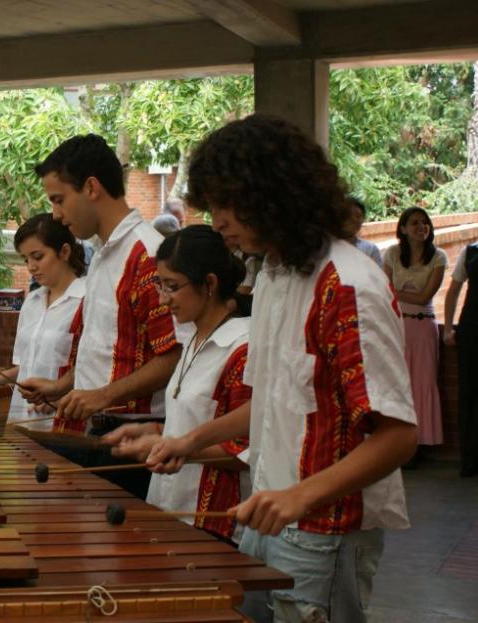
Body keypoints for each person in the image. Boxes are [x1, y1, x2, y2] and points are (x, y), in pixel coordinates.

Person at [143, 115, 418, 623]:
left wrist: (299, 496)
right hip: (270, 512)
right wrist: (189, 441)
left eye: (224, 205)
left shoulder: (347, 284)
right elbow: (269, 403)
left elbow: (397, 436)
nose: (216, 221)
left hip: (325, 529)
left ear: (266, 193)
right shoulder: (272, 273)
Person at [18, 134, 180, 499]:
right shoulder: (105, 255)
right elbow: (106, 349)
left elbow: (173, 355)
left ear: (91, 187)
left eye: (58, 199)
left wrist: (102, 396)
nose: (55, 214)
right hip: (96, 429)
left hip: (130, 436)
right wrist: (62, 387)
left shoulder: (147, 255)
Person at [104, 225, 251, 543]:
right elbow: (194, 421)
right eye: (160, 285)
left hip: (215, 524)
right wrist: (154, 431)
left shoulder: (242, 348)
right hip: (170, 510)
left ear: (209, 283)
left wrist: (175, 448)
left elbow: (247, 451)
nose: (162, 299)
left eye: (172, 286)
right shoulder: (194, 338)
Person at [0, 213, 85, 428]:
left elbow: (95, 369)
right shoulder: (32, 302)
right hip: (23, 420)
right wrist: (1, 376)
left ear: (64, 252)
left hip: (63, 423)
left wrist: (60, 391)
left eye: (38, 256)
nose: (31, 267)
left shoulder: (87, 300)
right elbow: (28, 365)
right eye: (26, 259)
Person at [383, 207, 446, 456]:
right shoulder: (392, 253)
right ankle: (397, 443)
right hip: (396, 326)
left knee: (423, 382)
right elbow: (384, 290)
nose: (421, 227)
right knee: (398, 382)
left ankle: (420, 442)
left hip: (423, 328)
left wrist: (394, 291)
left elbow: (423, 297)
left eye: (425, 222)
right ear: (403, 228)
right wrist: (393, 292)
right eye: (415, 223)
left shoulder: (438, 256)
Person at [443, 209, 478, 477]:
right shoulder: (471, 252)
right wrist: (448, 328)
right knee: (470, 393)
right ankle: (470, 459)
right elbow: (453, 290)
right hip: (472, 331)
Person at [347, 196, 382, 267]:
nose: (354, 220)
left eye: (358, 216)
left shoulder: (370, 249)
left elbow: (377, 273)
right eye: (348, 216)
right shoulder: (327, 248)